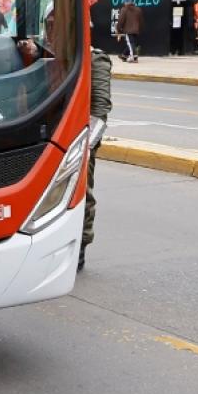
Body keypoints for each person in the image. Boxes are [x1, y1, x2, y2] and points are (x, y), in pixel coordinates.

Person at [81, 46, 113, 272]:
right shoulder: (54, 53)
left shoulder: (95, 58)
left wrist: (86, 146)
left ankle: (80, 248)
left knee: (83, 194)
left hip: (81, 141)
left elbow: (100, 108)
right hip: (54, 137)